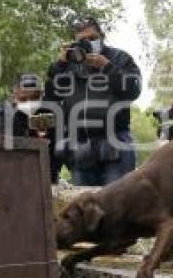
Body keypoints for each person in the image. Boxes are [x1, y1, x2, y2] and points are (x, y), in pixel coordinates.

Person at [47, 16, 142, 186]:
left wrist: (107, 67)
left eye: (93, 38)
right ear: (75, 43)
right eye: (83, 40)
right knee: (84, 207)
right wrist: (59, 65)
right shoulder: (70, 64)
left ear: (102, 37)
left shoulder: (120, 58)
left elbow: (133, 91)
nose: (89, 43)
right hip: (80, 146)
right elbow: (52, 95)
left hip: (116, 143)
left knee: (116, 203)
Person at [0, 73, 61, 183]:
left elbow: (57, 146)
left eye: (34, 98)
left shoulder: (50, 110)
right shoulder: (5, 112)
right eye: (23, 99)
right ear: (15, 96)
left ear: (41, 94)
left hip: (46, 171)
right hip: (15, 171)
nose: (29, 102)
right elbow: (4, 144)